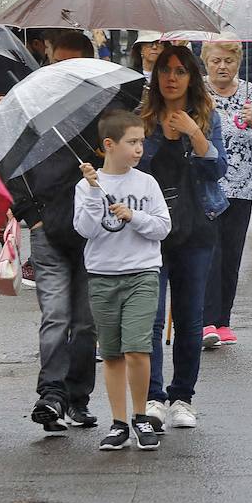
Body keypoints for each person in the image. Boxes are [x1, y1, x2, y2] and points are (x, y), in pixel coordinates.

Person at [10, 32, 100, 433]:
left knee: (85, 322)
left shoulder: (103, 111)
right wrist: (33, 216)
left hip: (92, 233)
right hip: (48, 230)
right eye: (55, 63)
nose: (60, 72)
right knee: (57, 316)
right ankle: (51, 394)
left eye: (71, 65)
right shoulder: (30, 109)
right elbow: (11, 168)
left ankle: (77, 397)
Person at [137, 44, 227, 432]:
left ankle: (182, 397)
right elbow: (132, 169)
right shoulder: (142, 120)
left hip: (196, 229)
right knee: (152, 320)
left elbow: (218, 170)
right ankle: (154, 397)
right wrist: (153, 137)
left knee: (190, 322)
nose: (171, 78)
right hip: (151, 232)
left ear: (192, 77)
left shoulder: (207, 119)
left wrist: (194, 135)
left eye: (180, 71)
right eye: (165, 71)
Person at [75, 110, 172, 451]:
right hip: (102, 276)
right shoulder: (87, 186)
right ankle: (118, 422)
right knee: (113, 353)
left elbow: (163, 226)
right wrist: (90, 191)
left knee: (137, 348)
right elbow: (84, 230)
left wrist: (134, 216)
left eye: (141, 142)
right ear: (108, 145)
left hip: (142, 273)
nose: (138, 149)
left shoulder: (146, 183)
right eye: (132, 142)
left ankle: (141, 415)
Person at [201, 39, 252, 347]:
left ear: (237, 62)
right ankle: (204, 321)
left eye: (228, 61)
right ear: (206, 61)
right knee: (210, 254)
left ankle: (224, 320)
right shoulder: (199, 93)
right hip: (206, 187)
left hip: (242, 187)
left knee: (231, 255)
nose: (222, 66)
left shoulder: (250, 93)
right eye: (216, 60)